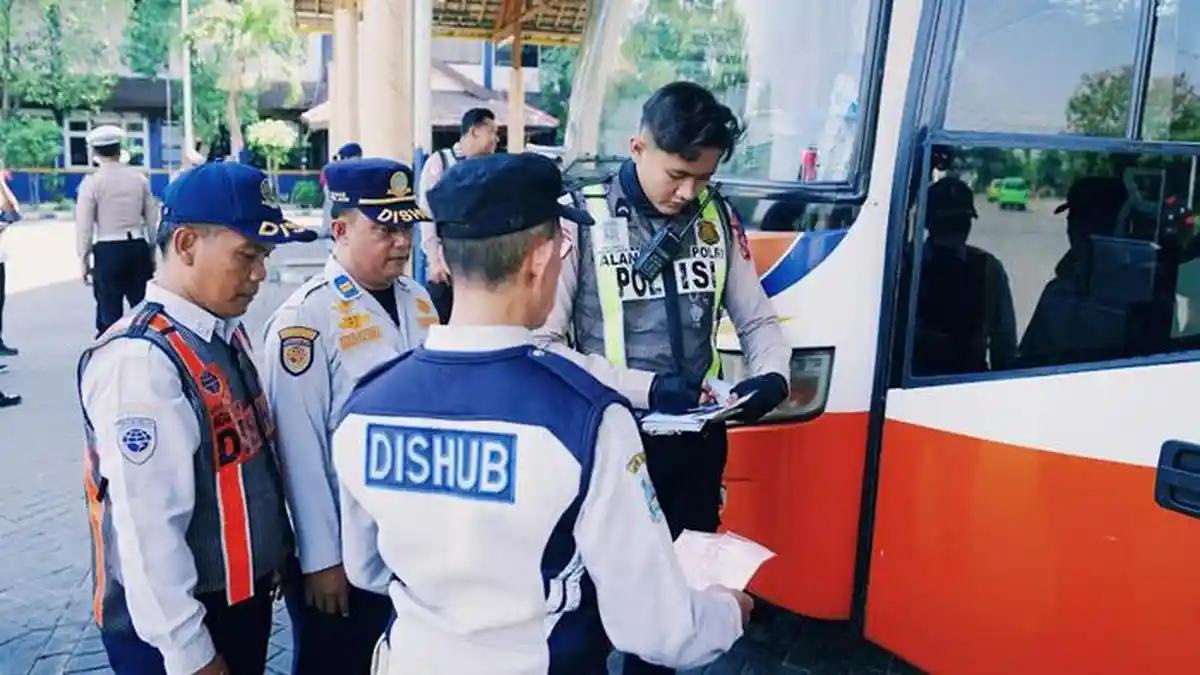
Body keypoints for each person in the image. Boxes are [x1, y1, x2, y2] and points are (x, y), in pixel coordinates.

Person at [332, 152, 751, 675]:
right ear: (539, 257)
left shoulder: (365, 408)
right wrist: (726, 611)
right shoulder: (587, 421)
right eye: (563, 247)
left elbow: (367, 569)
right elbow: (656, 628)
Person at [533, 81, 790, 675]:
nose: (688, 192)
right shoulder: (580, 219)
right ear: (638, 147)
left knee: (677, 609)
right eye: (677, 174)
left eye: (703, 177)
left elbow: (757, 320)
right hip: (612, 448)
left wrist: (771, 375)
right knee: (589, 617)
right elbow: (545, 348)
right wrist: (648, 390)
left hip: (697, 450)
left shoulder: (716, 215)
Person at [77, 162, 317, 675]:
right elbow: (148, 532)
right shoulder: (142, 362)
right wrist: (190, 653)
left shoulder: (219, 331)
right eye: (247, 255)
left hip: (232, 607)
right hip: (180, 633)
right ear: (186, 244)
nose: (260, 274)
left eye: (265, 256)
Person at [261, 157, 437, 675]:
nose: (402, 242)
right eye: (384, 229)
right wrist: (321, 561)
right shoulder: (305, 319)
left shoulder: (419, 299)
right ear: (340, 230)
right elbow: (298, 449)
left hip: (411, 542)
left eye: (407, 227)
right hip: (343, 550)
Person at [417, 107, 499, 323]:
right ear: (474, 131)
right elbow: (427, 214)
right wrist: (434, 261)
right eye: (492, 131)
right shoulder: (440, 163)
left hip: (482, 275)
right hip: (446, 273)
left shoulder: (492, 168)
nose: (496, 139)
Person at [76, 125, 159, 337]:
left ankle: (111, 349)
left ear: (95, 152)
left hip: (108, 250)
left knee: (109, 313)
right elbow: (152, 220)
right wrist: (152, 252)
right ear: (119, 149)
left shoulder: (92, 183)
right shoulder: (139, 180)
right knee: (142, 310)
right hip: (137, 247)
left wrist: (84, 259)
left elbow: (85, 227)